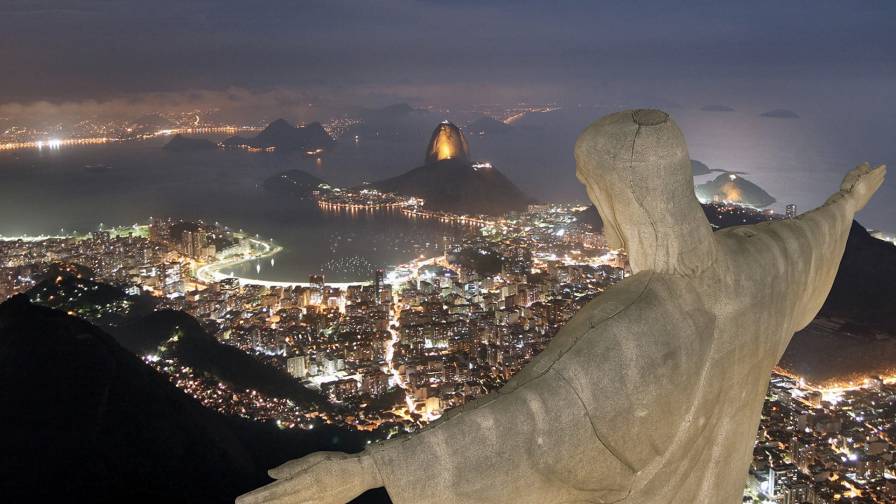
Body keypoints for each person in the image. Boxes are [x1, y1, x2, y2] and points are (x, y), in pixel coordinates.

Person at [237, 109, 885, 504]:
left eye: (593, 192)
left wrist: (367, 470)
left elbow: (524, 427)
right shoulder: (757, 264)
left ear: (619, 196)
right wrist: (849, 201)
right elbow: (814, 236)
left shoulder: (633, 326)